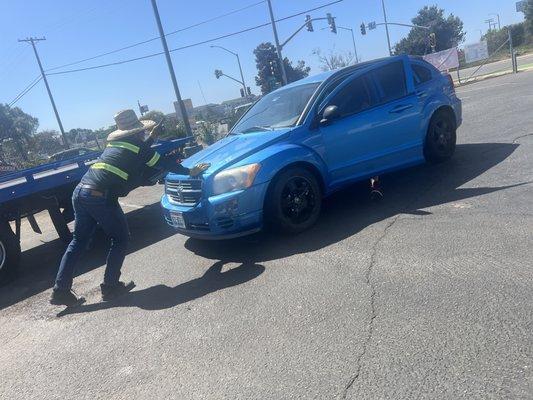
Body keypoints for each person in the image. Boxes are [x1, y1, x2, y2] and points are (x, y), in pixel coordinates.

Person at [50, 109, 209, 306]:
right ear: (135, 132)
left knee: (78, 241)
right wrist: (189, 171)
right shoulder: (138, 147)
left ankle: (60, 291)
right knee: (120, 239)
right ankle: (110, 287)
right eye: (142, 131)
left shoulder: (116, 144)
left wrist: (151, 138)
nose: (144, 133)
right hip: (100, 197)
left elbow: (136, 151)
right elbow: (161, 162)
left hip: (81, 192)